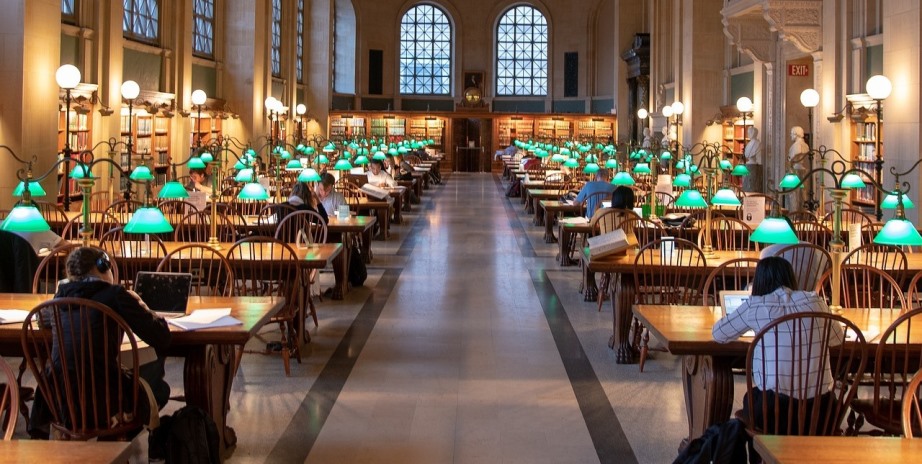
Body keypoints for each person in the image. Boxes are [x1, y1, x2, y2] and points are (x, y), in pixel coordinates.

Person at [30, 247, 172, 438]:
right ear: (103, 266)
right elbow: (160, 337)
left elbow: (42, 318)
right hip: (106, 401)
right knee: (158, 388)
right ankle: (117, 443)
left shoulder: (59, 299)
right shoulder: (115, 295)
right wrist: (144, 308)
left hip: (63, 401)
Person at [712, 257, 843, 434]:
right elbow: (838, 338)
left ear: (758, 282)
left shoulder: (755, 306)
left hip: (774, 414)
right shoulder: (815, 301)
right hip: (820, 412)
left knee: (751, 398)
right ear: (791, 278)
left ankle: (762, 456)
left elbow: (719, 333)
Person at [788, 126, 809, 211]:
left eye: (791, 134)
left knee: (798, 196)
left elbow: (791, 157)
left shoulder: (797, 146)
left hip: (797, 170)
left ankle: (795, 215)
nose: (790, 136)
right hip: (798, 168)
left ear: (795, 134)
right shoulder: (805, 145)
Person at [743, 126, 763, 193]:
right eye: (748, 133)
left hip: (753, 166)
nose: (748, 134)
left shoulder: (758, 144)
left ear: (753, 133)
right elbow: (746, 154)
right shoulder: (748, 144)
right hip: (750, 165)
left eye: (749, 133)